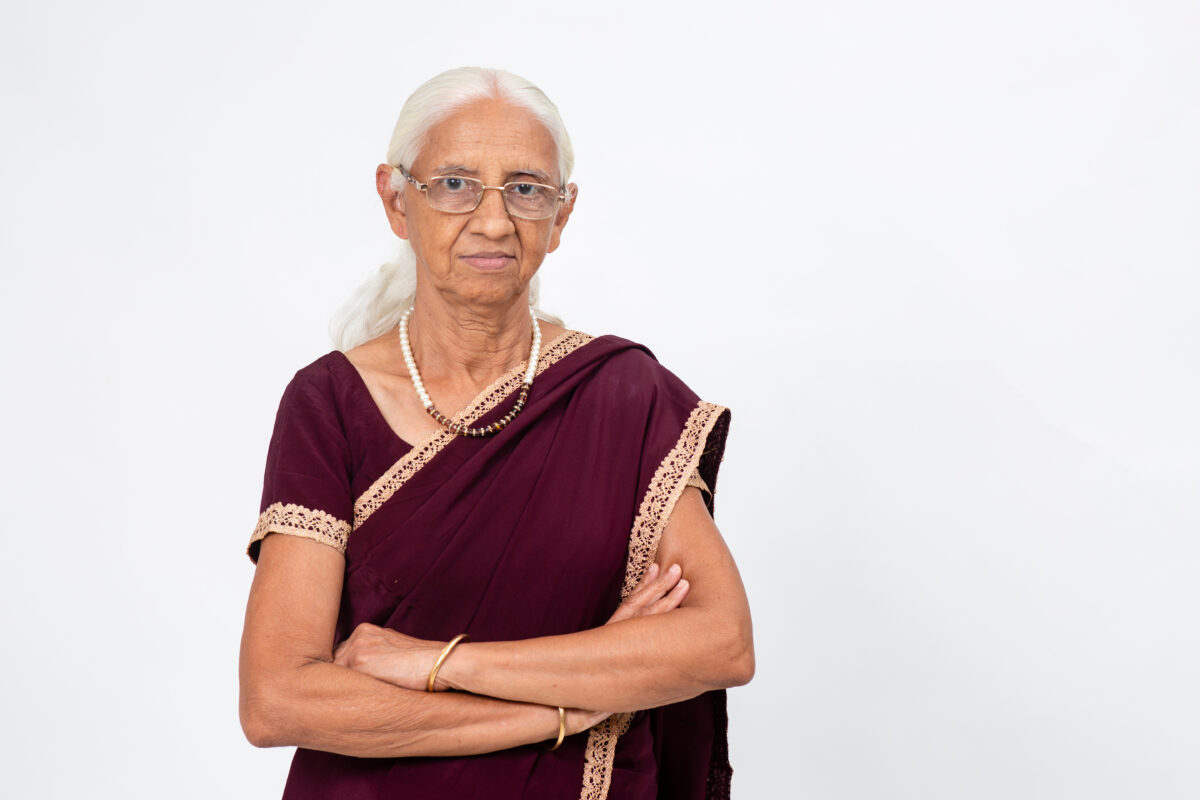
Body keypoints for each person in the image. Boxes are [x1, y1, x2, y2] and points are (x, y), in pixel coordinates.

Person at [238, 66, 754, 800]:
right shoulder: (330, 403)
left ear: (562, 214)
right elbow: (277, 699)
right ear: (395, 199)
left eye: (525, 188)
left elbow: (720, 643)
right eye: (453, 183)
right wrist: (570, 705)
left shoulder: (621, 395)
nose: (492, 220)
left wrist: (437, 664)